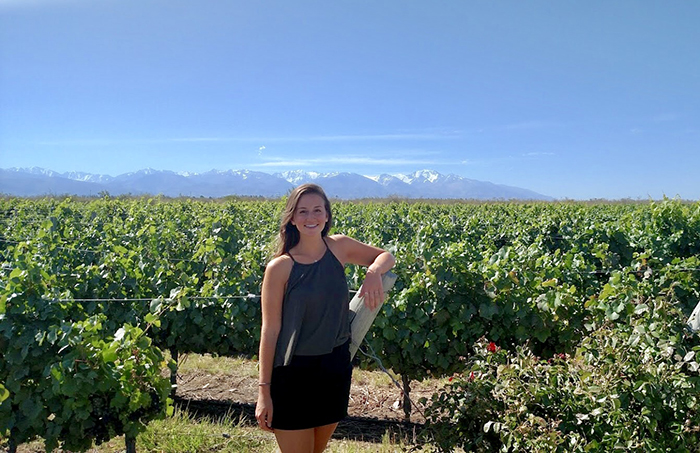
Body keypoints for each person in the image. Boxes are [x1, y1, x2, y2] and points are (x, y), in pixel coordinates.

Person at [255, 183, 395, 453]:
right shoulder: (280, 267)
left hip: (334, 369)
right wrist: (264, 392)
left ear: (327, 215)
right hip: (292, 375)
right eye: (303, 211)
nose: (311, 218)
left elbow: (386, 257)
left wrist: (374, 272)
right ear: (292, 218)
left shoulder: (339, 247)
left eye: (317, 210)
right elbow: (270, 330)